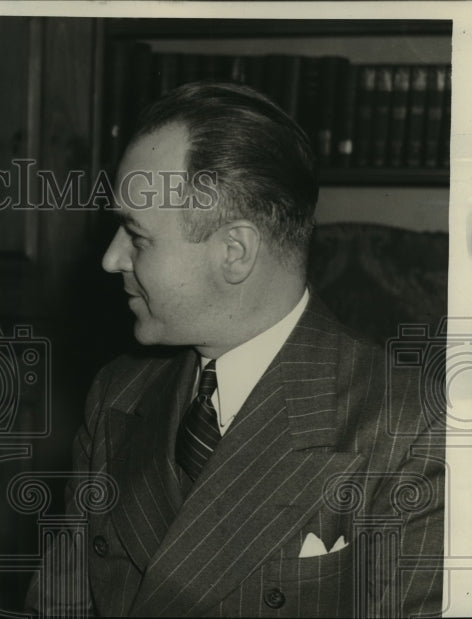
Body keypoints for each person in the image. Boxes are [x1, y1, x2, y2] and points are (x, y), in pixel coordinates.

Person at [26, 82, 444, 617]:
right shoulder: (118, 392)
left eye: (137, 235)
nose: (111, 259)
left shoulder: (415, 432)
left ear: (234, 252)